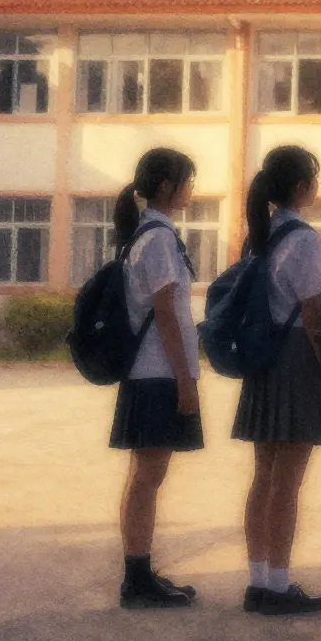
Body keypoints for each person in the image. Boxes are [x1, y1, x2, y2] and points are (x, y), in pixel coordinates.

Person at [233, 145, 321, 617]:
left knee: (264, 476)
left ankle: (259, 580)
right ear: (301, 187)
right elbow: (315, 315)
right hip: (298, 358)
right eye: (314, 178)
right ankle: (278, 584)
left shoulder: (258, 235)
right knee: (288, 481)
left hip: (264, 358)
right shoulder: (304, 239)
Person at [108, 147, 203, 609]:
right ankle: (137, 578)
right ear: (167, 186)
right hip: (157, 375)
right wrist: (185, 379)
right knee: (148, 477)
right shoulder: (159, 239)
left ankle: (139, 573)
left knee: (143, 477)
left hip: (145, 374)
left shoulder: (145, 235)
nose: (191, 189)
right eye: (188, 180)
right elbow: (166, 313)